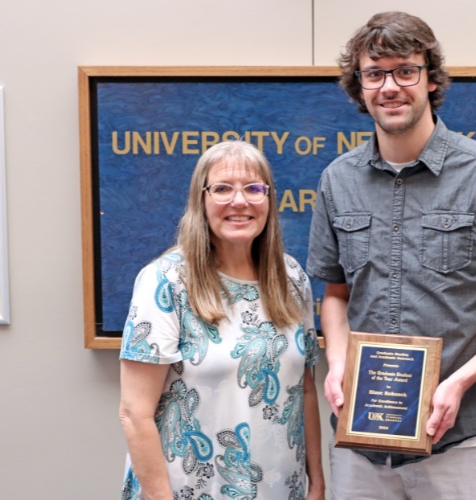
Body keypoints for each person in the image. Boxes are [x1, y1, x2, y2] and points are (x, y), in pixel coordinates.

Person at [306, 11, 476, 499]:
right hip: (362, 444)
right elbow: (335, 294)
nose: (390, 86)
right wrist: (338, 364)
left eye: (406, 70)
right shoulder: (337, 180)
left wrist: (459, 381)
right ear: (358, 87)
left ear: (431, 79)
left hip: (460, 439)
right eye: (374, 74)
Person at [119, 141, 325, 500]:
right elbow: (134, 414)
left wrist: (317, 483)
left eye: (254, 189)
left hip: (280, 488)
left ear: (269, 200)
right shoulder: (166, 282)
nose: (240, 201)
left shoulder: (291, 279)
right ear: (202, 200)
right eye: (223, 189)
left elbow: (304, 390)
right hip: (186, 490)